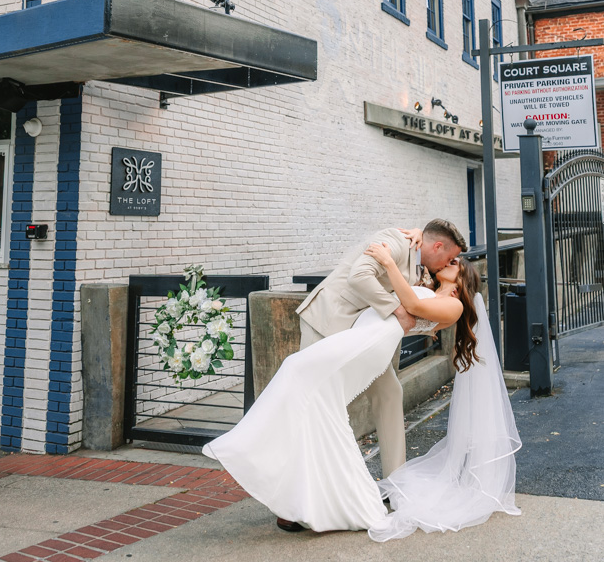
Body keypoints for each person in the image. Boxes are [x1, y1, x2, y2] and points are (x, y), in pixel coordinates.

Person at [202, 244, 521, 539]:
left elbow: (408, 303)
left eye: (455, 263)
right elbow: (411, 277)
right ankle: (319, 494)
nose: (448, 262)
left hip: (368, 345)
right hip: (361, 337)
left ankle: (251, 450)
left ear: (463, 277)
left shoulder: (452, 305)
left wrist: (385, 261)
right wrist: (414, 237)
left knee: (297, 370)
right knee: (317, 400)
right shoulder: (431, 288)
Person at [295, 219, 467, 481]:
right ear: (438, 246)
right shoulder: (396, 240)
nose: (448, 264)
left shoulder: (425, 265)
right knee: (312, 402)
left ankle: (396, 482)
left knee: (389, 392)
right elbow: (359, 276)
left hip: (361, 335)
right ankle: (298, 490)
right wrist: (397, 310)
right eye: (450, 258)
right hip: (327, 321)